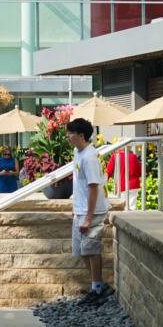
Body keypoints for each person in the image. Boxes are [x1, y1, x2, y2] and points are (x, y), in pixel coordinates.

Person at [66, 116, 111, 304]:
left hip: (91, 212)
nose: (67, 137)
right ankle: (97, 284)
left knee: (91, 250)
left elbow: (94, 187)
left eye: (70, 133)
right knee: (82, 251)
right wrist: (76, 209)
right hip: (81, 210)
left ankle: (98, 288)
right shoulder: (79, 153)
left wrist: (88, 218)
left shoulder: (90, 157)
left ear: (81, 135)